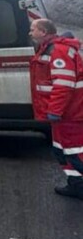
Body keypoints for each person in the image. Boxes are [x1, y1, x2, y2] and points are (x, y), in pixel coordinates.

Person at [29, 18, 83, 199]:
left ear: (43, 32)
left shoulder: (58, 50)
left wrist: (55, 110)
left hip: (70, 114)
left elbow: (63, 84)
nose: (30, 33)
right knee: (62, 151)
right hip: (64, 115)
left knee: (75, 152)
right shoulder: (50, 48)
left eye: (33, 29)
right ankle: (77, 185)